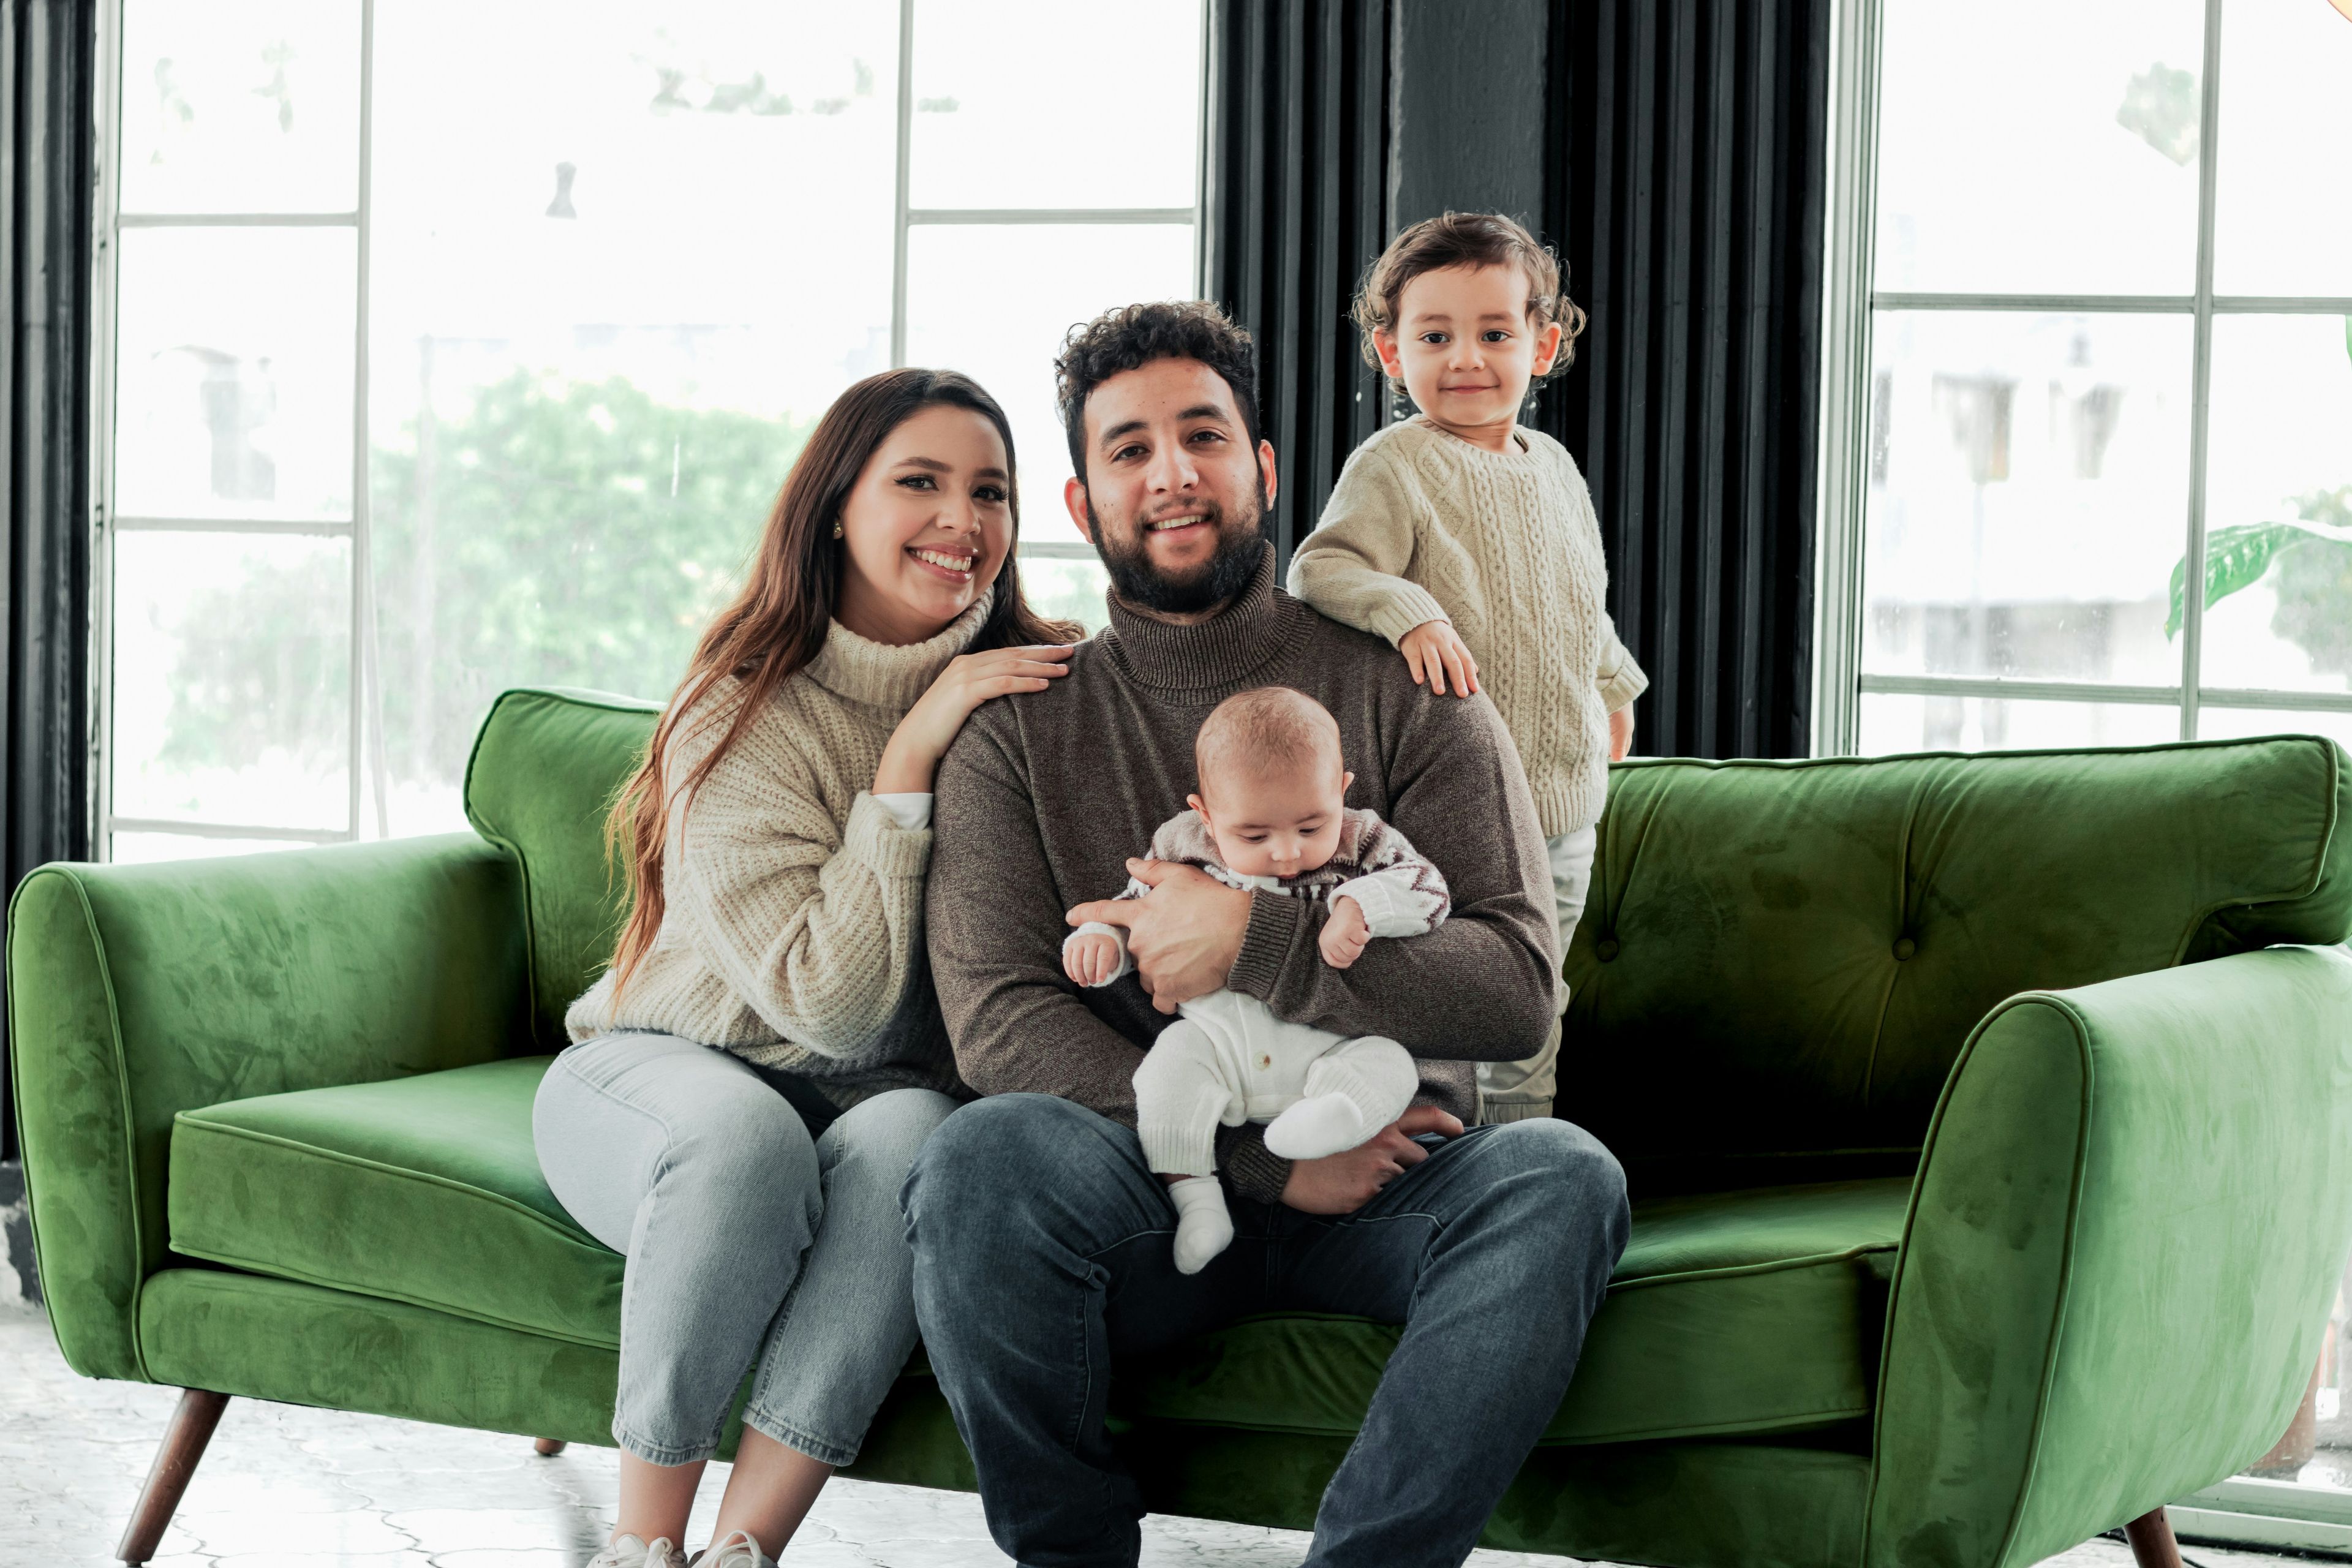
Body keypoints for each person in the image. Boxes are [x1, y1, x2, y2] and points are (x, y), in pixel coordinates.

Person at [904, 300, 1630, 1568]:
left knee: (1566, 1179)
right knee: (981, 1158)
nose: (1172, 473)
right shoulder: (1021, 725)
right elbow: (1000, 1020)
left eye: (1203, 435)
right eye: (1130, 449)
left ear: (1265, 469)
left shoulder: (1415, 683)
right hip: (1151, 1175)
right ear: (1084, 504)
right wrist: (1257, 1161)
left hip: (1395, 1168)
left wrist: (1252, 935)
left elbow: (1516, 986)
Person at [532, 368, 1076, 1568]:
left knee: (921, 1139)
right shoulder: (741, 704)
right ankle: (643, 1542)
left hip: (870, 1097)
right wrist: (918, 743)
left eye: (991, 490)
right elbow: (829, 999)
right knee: (748, 1142)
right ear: (838, 504)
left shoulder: (1036, 689)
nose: (964, 519)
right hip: (658, 1071)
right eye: (919, 482)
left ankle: (742, 1550)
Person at [1288, 210, 1649, 1125]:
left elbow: (1577, 598)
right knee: (1440, 1014)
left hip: (1563, 814)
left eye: (1495, 334)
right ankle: (1435, 1186)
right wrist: (1410, 608)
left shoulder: (1558, 469)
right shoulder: (1396, 466)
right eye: (1435, 336)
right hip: (1450, 821)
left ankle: (1519, 1175)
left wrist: (1614, 686)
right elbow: (1320, 568)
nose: (1467, 359)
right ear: (1388, 350)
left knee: (1533, 1015)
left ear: (1545, 340)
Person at [1063, 684, 1449, 1273]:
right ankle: (1197, 1199)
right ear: (1205, 815)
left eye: (1310, 825)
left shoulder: (1362, 840)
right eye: (1255, 837)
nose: (1289, 854)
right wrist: (1102, 945)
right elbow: (1140, 915)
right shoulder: (1181, 849)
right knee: (1167, 1072)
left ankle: (1337, 1118)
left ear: (1342, 791)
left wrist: (1362, 905)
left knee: (1387, 1064)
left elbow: (1429, 889)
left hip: (1329, 1047)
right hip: (1221, 1051)